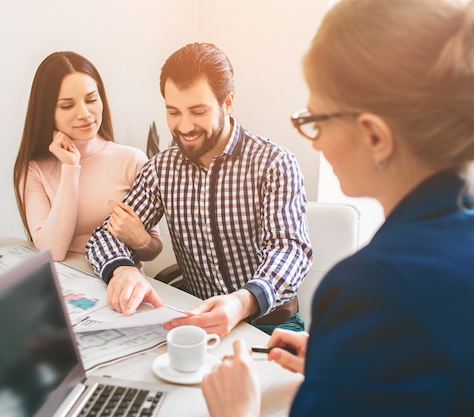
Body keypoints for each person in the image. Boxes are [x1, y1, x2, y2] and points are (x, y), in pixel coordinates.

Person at [201, 0, 474, 416]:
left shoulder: (373, 289)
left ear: (375, 136)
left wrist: (236, 412)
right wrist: (346, 363)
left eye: (317, 121)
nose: (315, 142)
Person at [86, 42, 312, 337]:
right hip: (198, 322)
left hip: (269, 325)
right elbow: (103, 237)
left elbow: (290, 250)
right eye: (174, 112)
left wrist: (242, 302)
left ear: (227, 103)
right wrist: (122, 269)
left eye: (197, 111)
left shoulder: (274, 164)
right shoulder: (161, 169)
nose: (184, 126)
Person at [13, 52, 162, 262]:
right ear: (48, 111)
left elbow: (154, 248)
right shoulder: (34, 169)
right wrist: (70, 167)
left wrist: (139, 240)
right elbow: (52, 252)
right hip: (64, 286)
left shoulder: (132, 160)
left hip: (118, 283)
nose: (84, 113)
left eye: (91, 99)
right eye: (67, 105)